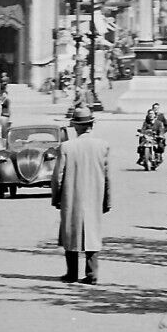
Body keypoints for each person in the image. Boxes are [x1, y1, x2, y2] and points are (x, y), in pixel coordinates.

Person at [50, 105, 112, 285]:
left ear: (76, 127)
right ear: (91, 125)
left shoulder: (66, 147)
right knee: (92, 232)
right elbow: (107, 176)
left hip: (71, 196)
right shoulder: (103, 146)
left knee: (70, 232)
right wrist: (107, 200)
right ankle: (92, 274)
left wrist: (57, 198)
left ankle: (72, 273)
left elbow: (58, 177)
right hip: (94, 196)